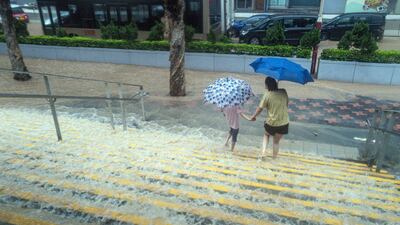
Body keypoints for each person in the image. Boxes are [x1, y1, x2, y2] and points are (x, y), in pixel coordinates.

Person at [250, 77, 289, 159]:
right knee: (276, 142)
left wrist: (253, 116)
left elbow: (260, 108)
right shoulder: (283, 92)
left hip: (271, 123)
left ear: (267, 85)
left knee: (266, 135)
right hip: (283, 123)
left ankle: (263, 153)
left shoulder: (267, 94)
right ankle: (274, 158)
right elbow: (286, 104)